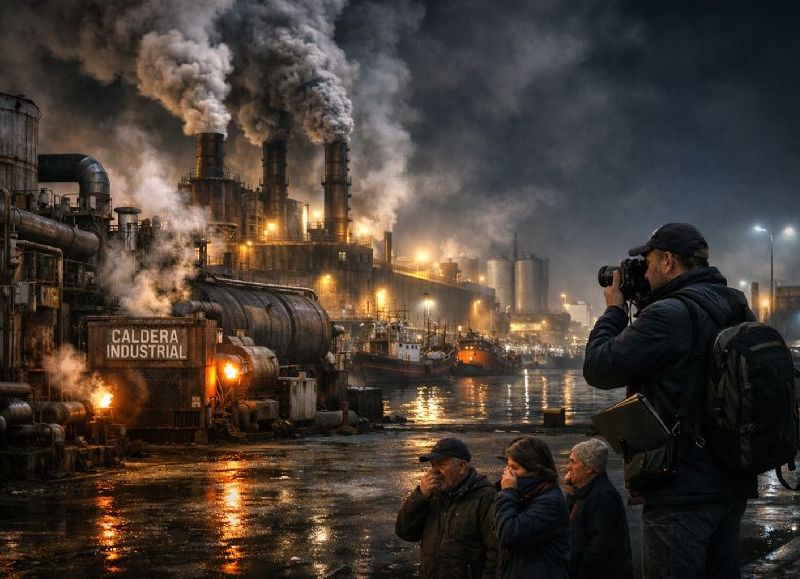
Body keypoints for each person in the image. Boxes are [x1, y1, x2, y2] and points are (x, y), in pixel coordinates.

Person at [584, 223, 757, 578]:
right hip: (730, 482)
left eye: (646, 262)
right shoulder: (735, 305)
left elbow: (598, 368)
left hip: (680, 491)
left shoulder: (668, 316)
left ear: (667, 261)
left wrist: (615, 311)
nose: (642, 271)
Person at [395, 437, 497, 579]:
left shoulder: (485, 496)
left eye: (441, 465)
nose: (434, 472)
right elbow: (405, 532)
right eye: (432, 466)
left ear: (462, 466)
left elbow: (496, 553)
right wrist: (420, 497)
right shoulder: (431, 494)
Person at [494, 436, 569, 578]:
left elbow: (508, 534)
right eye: (508, 466)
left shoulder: (549, 502)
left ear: (535, 470)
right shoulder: (526, 495)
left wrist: (508, 492)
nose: (508, 473)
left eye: (514, 468)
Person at [564, 438, 632, 579]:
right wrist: (571, 493)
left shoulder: (603, 497)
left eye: (573, 462)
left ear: (589, 468)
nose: (568, 468)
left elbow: (599, 547)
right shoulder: (588, 491)